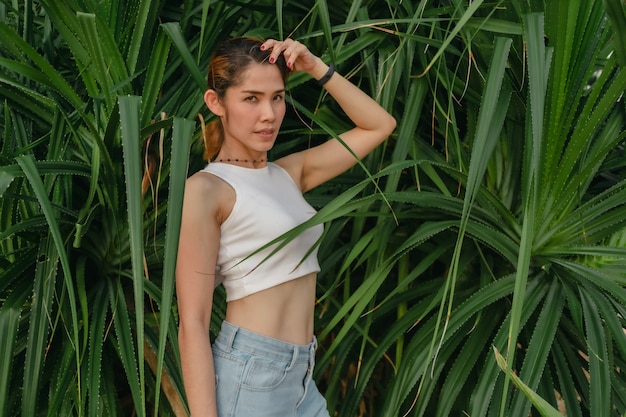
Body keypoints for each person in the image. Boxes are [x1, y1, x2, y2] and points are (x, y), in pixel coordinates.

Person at [176, 36, 396, 417]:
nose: (269, 114)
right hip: (251, 375)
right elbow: (192, 321)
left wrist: (315, 67)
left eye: (277, 97)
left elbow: (379, 125)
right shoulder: (207, 189)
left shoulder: (289, 173)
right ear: (216, 103)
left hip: (301, 374)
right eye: (251, 98)